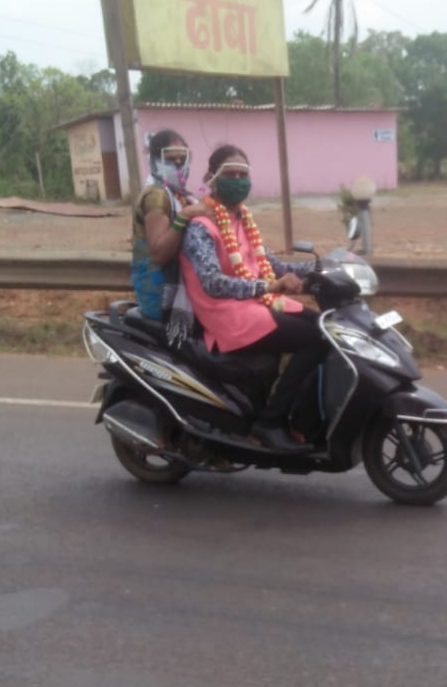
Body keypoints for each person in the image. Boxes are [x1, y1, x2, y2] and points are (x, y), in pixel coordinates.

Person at [180, 144, 327, 453]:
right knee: (314, 339)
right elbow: (213, 283)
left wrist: (321, 268)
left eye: (242, 174)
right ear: (211, 178)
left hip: (257, 305)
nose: (238, 180)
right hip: (228, 315)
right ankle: (270, 423)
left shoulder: (241, 218)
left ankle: (304, 418)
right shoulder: (201, 226)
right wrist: (269, 287)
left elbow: (271, 266)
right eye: (230, 174)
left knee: (328, 328)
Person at [131, 129, 207, 318]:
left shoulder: (181, 195)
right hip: (161, 290)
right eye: (171, 159)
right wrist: (184, 217)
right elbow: (159, 253)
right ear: (154, 161)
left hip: (186, 286)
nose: (179, 164)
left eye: (183, 159)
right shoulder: (157, 195)